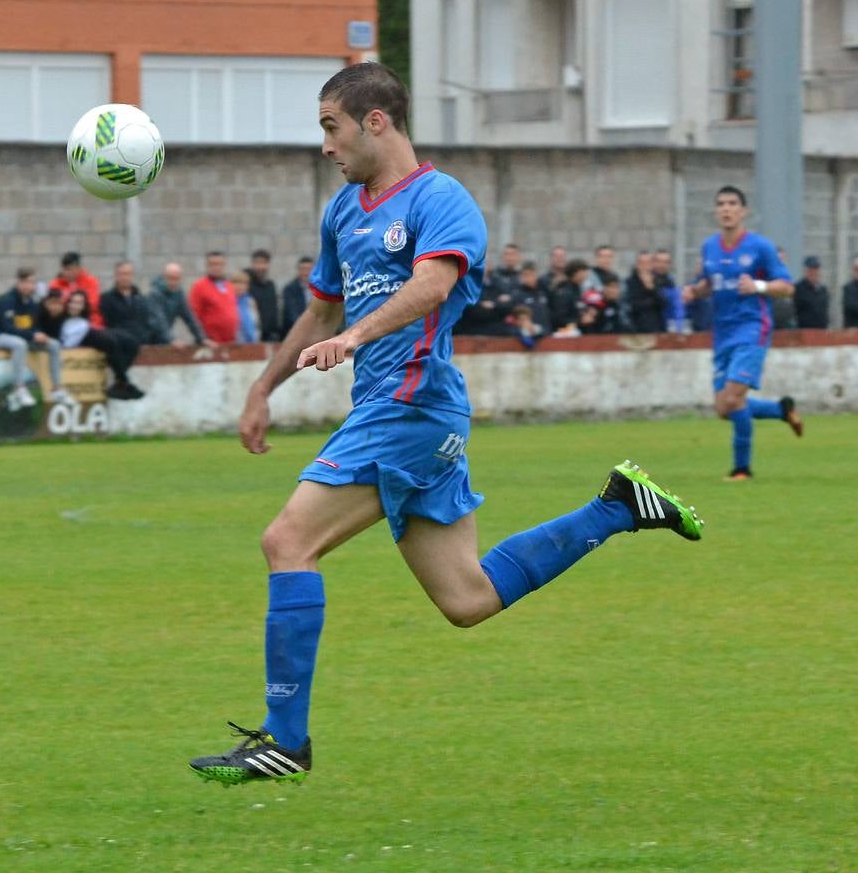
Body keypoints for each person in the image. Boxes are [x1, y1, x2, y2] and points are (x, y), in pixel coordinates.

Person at [186, 62, 704, 786]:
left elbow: (433, 285)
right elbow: (322, 311)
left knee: (286, 540)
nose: (326, 146)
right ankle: (616, 507)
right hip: (404, 413)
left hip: (411, 407)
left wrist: (356, 340)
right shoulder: (343, 212)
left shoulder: (441, 198)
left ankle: (286, 740)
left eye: (331, 127)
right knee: (467, 599)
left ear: (376, 122)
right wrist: (264, 386)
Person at [680, 185, 803, 481]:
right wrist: (694, 292)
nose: (726, 209)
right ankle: (780, 410)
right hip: (722, 332)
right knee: (723, 407)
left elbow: (787, 286)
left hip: (752, 329)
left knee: (734, 399)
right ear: (716, 211)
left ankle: (741, 469)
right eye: (721, 203)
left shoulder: (760, 247)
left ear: (743, 211)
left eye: (732, 203)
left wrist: (759, 286)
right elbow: (707, 282)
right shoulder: (709, 247)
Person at [0, 267, 68, 408]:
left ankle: (57, 389)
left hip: (23, 337)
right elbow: (8, 327)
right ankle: (19, 388)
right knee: (19, 344)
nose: (29, 286)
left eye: (32, 282)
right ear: (19, 283)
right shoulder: (7, 300)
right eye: (26, 282)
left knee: (54, 344)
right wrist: (32, 335)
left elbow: (33, 325)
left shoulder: (31, 302)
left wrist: (40, 335)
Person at [56, 290, 144, 400]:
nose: (74, 306)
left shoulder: (83, 319)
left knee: (131, 342)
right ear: (67, 303)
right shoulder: (60, 318)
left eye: (79, 303)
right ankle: (123, 382)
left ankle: (120, 381)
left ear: (84, 306)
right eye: (72, 302)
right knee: (110, 341)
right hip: (82, 337)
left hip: (89, 331)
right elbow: (66, 342)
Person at [149, 262, 211, 346]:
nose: (173, 282)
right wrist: (171, 340)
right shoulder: (155, 294)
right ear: (164, 277)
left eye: (176, 279)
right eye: (170, 278)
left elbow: (189, 317)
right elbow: (159, 320)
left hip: (164, 339)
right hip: (149, 338)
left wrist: (202, 338)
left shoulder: (178, 294)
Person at [99, 261, 154, 346]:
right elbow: (107, 325)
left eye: (128, 274)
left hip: (141, 345)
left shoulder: (141, 299)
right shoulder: (106, 299)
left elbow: (146, 323)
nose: (125, 277)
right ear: (116, 276)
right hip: (118, 346)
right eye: (121, 274)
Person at [190, 251, 240, 343]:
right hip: (211, 344)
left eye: (219, 264)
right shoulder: (199, 287)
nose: (216, 267)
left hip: (230, 343)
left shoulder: (229, 286)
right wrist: (203, 339)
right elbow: (193, 317)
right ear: (207, 266)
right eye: (212, 264)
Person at [49, 251, 105, 327]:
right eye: (65, 269)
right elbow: (53, 306)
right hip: (63, 320)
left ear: (79, 268)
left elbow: (93, 304)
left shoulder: (91, 282)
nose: (66, 273)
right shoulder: (55, 284)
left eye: (70, 269)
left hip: (89, 321)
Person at [624, 251, 666, 334]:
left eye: (648, 263)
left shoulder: (658, 281)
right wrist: (651, 302)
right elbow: (633, 305)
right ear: (637, 264)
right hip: (636, 328)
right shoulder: (630, 282)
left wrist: (651, 289)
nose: (645, 266)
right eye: (642, 263)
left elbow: (663, 303)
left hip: (656, 328)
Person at [246, 249, 283, 342]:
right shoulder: (246, 285)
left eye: (264, 263)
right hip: (251, 337)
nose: (260, 267)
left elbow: (274, 312)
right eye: (257, 263)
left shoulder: (271, 286)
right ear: (252, 264)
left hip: (269, 337)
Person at [793, 256, 831, 330]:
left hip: (821, 331)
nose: (814, 272)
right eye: (810, 269)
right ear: (805, 271)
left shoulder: (823, 289)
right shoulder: (798, 288)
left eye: (816, 269)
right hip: (804, 331)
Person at [281, 256, 314, 334]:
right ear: (298, 270)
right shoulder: (290, 289)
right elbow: (292, 312)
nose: (306, 273)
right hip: (296, 330)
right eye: (303, 269)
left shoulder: (319, 288)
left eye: (309, 269)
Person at [231, 269, 260, 344]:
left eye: (243, 283)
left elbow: (256, 323)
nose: (239, 286)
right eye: (236, 283)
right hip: (234, 342)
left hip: (252, 342)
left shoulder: (251, 301)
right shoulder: (228, 301)